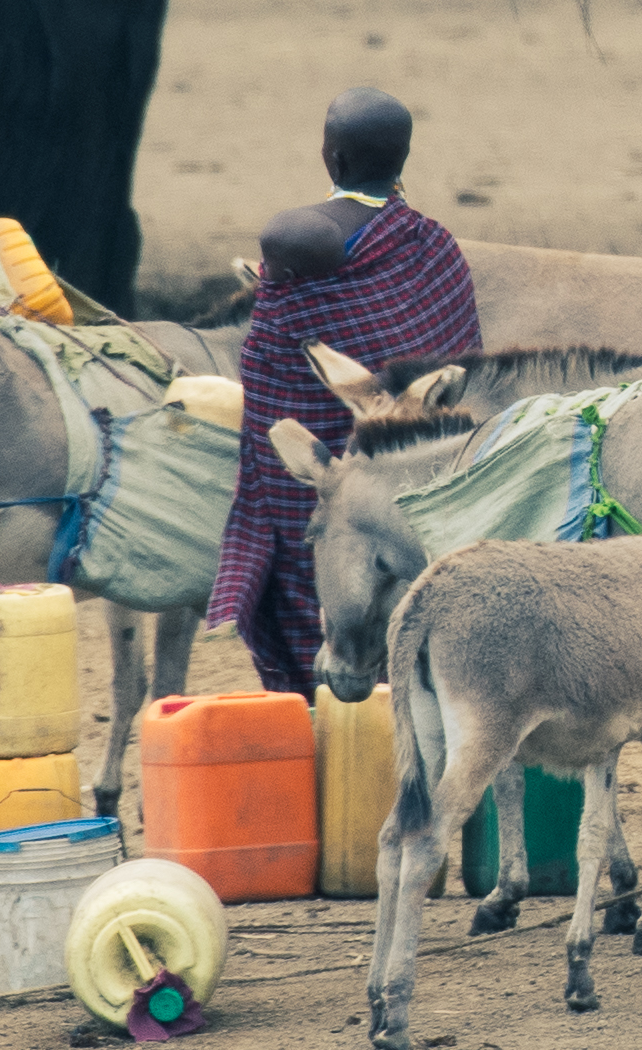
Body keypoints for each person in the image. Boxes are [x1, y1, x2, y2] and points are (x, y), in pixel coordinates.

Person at [202, 89, 482, 694]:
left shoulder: (304, 247)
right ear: (404, 157)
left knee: (321, 596)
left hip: (327, 487)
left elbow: (288, 240)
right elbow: (462, 368)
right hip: (415, 493)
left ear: (332, 159)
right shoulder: (436, 248)